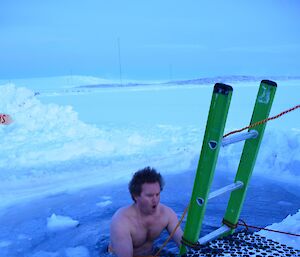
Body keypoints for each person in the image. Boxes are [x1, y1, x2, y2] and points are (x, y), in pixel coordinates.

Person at [109, 167, 183, 257]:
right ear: (135, 196)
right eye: (149, 195)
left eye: (157, 194)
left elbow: (183, 245)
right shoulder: (121, 222)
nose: (155, 200)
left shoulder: (167, 214)